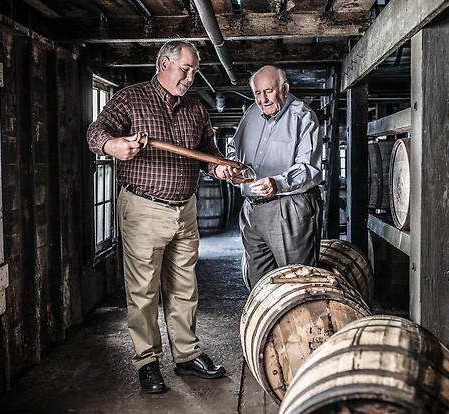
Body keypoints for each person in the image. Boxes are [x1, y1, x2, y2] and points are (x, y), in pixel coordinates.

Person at [87, 40, 234, 394]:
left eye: (195, 70)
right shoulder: (130, 98)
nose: (191, 76)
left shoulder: (197, 109)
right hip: (143, 207)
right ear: (164, 64)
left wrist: (219, 168)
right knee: (143, 291)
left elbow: (207, 153)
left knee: (185, 287)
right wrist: (114, 146)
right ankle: (147, 361)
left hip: (185, 208)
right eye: (186, 68)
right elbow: (96, 132)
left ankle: (186, 355)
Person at [228, 65, 324, 289]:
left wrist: (277, 182)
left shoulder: (302, 116)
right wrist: (233, 168)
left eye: (268, 91)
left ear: (284, 89)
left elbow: (309, 167)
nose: (262, 99)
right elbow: (234, 148)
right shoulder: (251, 114)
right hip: (252, 209)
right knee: (259, 284)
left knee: (297, 282)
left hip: (288, 208)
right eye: (257, 93)